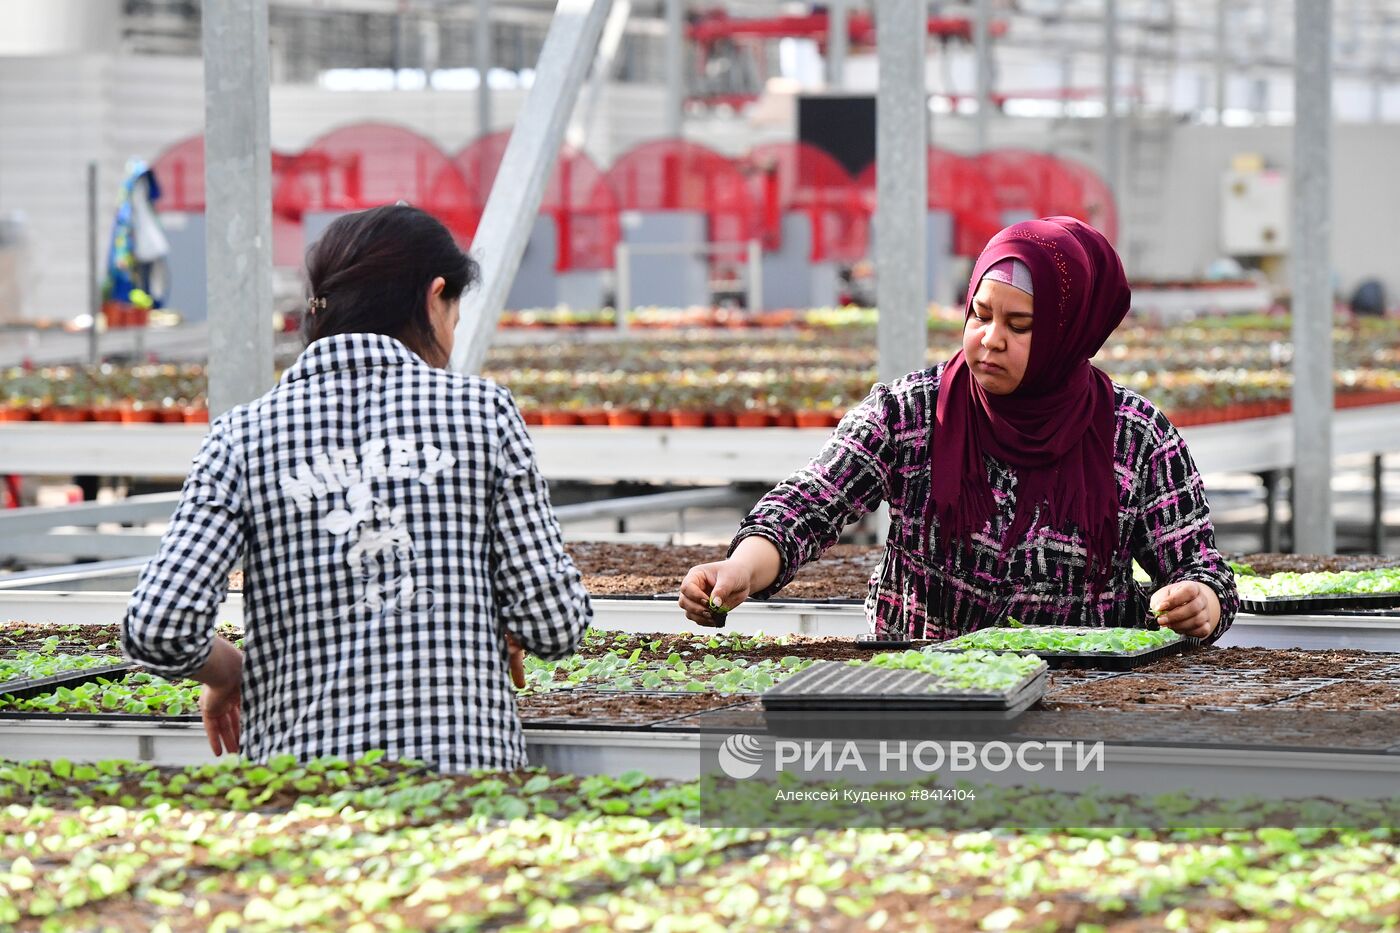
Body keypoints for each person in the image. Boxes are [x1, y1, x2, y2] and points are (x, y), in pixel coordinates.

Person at [123, 204, 591, 772]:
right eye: (454, 310)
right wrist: (482, 617)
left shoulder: (242, 436)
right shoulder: (482, 414)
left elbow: (159, 627)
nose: (453, 328)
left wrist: (234, 670)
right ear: (433, 295)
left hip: (303, 794)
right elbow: (555, 623)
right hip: (465, 784)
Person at [681, 217, 1237, 643]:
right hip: (921, 692)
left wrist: (1201, 602)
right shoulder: (911, 413)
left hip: (1085, 704)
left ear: (1071, 335)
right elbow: (806, 507)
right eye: (980, 314)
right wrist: (739, 570)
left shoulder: (1135, 438)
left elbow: (1199, 566)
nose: (990, 339)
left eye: (1020, 326)